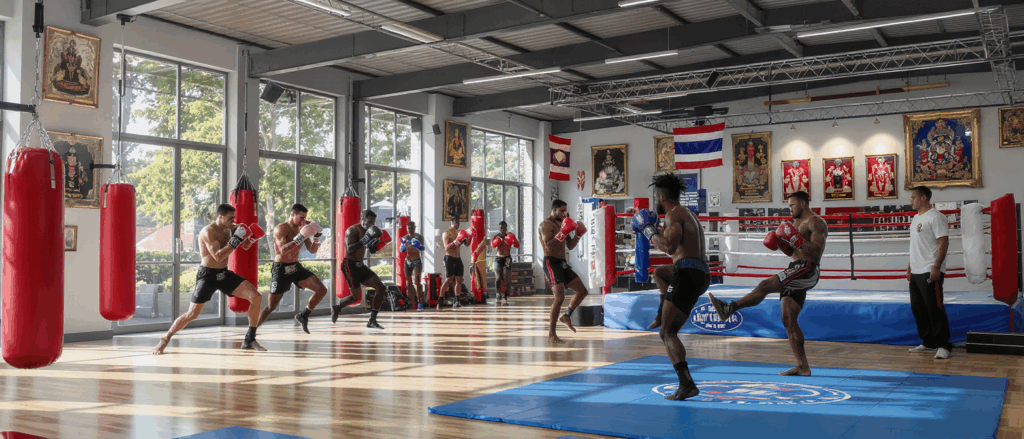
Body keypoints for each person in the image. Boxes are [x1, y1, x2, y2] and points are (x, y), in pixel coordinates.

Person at [707, 191, 826, 376]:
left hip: (808, 269)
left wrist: (795, 239)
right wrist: (780, 244)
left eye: (793, 205)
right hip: (795, 267)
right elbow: (792, 253)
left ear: (803, 204)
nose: (790, 209)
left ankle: (729, 308)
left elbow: (816, 252)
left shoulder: (816, 222)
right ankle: (803, 366)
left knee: (764, 285)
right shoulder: (794, 224)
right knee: (788, 319)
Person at [634, 175, 709, 401]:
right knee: (660, 272)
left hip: (686, 273)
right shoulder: (689, 214)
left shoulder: (673, 214)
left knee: (667, 333)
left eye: (656, 197)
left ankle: (686, 384)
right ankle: (661, 312)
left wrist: (648, 230)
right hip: (699, 272)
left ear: (661, 197)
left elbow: (668, 246)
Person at [153, 204, 264, 354]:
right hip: (208, 276)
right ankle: (165, 339)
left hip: (224, 274)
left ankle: (250, 338)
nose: (233, 221)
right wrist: (236, 239)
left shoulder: (231, 228)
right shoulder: (208, 232)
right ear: (221, 217)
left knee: (256, 296)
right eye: (230, 218)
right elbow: (218, 256)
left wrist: (252, 238)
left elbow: (244, 246)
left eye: (234, 218)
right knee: (192, 314)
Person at [257, 204, 329, 334]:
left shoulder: (302, 228)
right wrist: (301, 236)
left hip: (295, 267)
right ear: (292, 214)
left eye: (305, 218)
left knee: (322, 290)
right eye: (301, 217)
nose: (304, 220)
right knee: (271, 307)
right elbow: (283, 250)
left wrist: (316, 237)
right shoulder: (281, 229)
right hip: (281, 269)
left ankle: (303, 315)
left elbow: (312, 250)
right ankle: (251, 332)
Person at [906, 186, 952, 360]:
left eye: (913, 197)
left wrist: (936, 267)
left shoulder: (936, 217)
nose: (911, 200)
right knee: (918, 308)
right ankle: (928, 342)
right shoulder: (916, 218)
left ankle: (943, 345)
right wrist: (910, 266)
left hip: (929, 269)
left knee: (934, 308)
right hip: (916, 270)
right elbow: (916, 245)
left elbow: (943, 242)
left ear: (924, 198)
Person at [538, 199, 589, 343]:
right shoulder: (545, 224)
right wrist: (563, 232)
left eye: (565, 211)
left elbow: (570, 246)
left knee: (582, 291)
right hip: (551, 262)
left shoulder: (563, 224)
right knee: (559, 297)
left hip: (562, 263)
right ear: (554, 210)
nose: (564, 213)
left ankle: (566, 315)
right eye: (561, 211)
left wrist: (578, 235)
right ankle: (551, 334)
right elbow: (548, 246)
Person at [331, 209, 392, 329]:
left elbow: (372, 250)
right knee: (355, 297)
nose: (371, 224)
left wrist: (381, 242)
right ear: (363, 219)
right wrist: (365, 239)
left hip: (360, 265)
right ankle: (337, 307)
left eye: (373, 222)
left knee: (381, 288)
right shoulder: (352, 230)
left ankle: (372, 320)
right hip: (350, 265)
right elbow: (349, 249)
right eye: (369, 221)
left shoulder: (369, 231)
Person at [439, 218, 470, 310]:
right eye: (456, 223)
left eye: (458, 223)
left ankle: (457, 301)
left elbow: (467, 244)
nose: (457, 225)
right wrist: (455, 242)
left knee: (459, 280)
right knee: (449, 279)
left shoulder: (460, 233)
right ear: (451, 223)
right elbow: (446, 248)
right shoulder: (447, 233)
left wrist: (469, 237)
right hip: (450, 258)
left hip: (458, 258)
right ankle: (440, 300)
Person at [491, 221, 519, 306]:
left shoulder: (510, 235)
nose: (502, 229)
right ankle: (498, 293)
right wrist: (499, 240)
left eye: (503, 228)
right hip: (498, 258)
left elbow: (517, 245)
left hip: (507, 258)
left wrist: (514, 241)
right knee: (498, 277)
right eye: (500, 228)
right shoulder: (496, 236)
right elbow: (493, 245)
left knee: (507, 276)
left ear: (506, 228)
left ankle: (505, 294)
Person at [400, 221, 426, 310]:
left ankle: (420, 302)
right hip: (407, 261)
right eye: (408, 228)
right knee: (408, 283)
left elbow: (423, 248)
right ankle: (411, 302)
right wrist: (404, 246)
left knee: (417, 281)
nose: (410, 229)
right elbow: (401, 249)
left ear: (415, 228)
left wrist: (418, 246)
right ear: (407, 228)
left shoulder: (419, 237)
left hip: (416, 261)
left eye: (412, 228)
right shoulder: (404, 237)